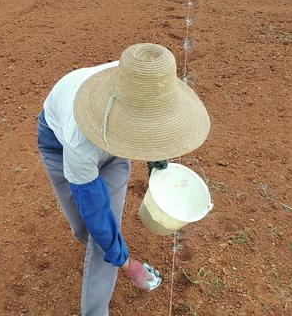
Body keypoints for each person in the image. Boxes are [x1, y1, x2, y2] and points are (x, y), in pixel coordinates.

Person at [36, 43, 210, 315]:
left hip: (110, 153)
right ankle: (108, 251)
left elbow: (154, 131)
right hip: (58, 147)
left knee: (104, 235)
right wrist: (130, 266)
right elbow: (95, 211)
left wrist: (156, 167)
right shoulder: (78, 142)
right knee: (88, 228)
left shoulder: (142, 82)